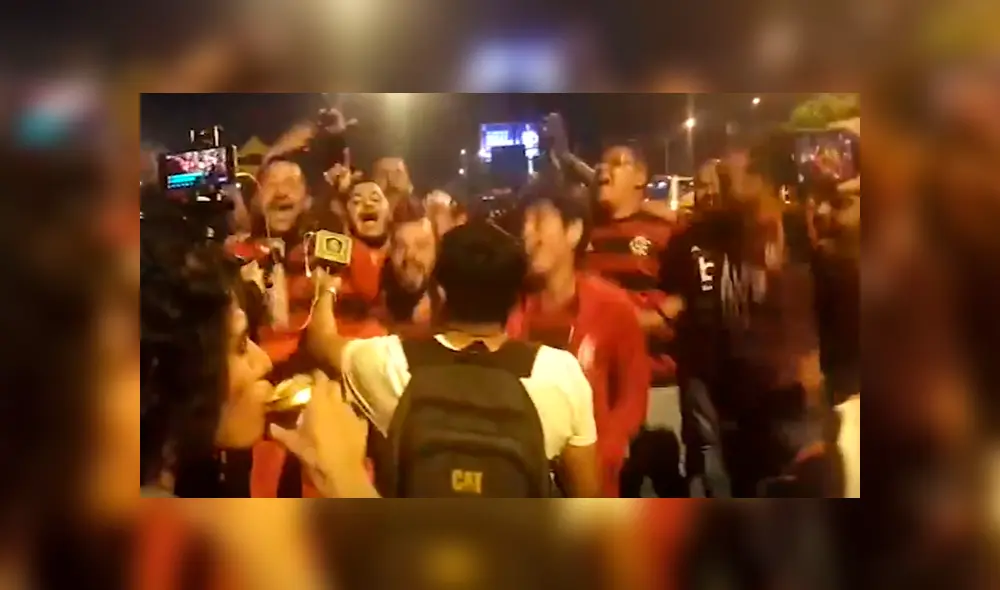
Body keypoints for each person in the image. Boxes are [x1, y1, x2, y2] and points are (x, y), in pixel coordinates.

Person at [306, 221, 602, 497]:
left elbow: (320, 342)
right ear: (515, 299)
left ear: (441, 290)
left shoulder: (388, 364)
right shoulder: (560, 374)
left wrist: (328, 287)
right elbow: (588, 499)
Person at [663, 140, 824, 497]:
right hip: (734, 395)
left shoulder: (801, 229)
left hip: (788, 399)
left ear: (760, 178)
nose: (718, 181)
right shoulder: (717, 233)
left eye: (728, 173)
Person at [507, 180, 650, 496]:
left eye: (539, 221)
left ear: (573, 231)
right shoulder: (510, 308)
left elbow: (633, 394)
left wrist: (606, 451)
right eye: (523, 223)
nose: (527, 234)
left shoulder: (612, 307)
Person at [586, 145, 681, 497]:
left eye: (615, 163)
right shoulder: (585, 232)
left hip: (657, 387)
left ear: (641, 177)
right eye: (601, 162)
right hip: (602, 393)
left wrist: (646, 320)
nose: (602, 169)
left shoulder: (667, 230)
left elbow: (685, 299)